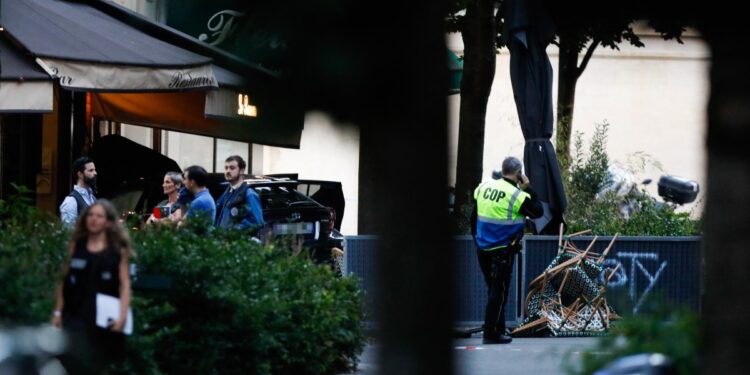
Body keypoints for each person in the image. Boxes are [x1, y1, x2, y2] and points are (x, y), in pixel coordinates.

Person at [51, 200, 132, 373]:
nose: (93, 219)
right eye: (90, 215)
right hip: (75, 314)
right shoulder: (77, 245)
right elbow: (63, 279)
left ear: (108, 222)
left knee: (97, 364)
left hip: (102, 318)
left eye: (99, 216)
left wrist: (122, 316)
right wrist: (58, 312)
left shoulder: (117, 251)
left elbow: (124, 285)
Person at [472, 157, 543, 344]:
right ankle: (490, 333)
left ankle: (499, 328)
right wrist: (527, 188)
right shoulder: (516, 195)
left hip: (482, 248)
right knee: (498, 291)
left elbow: (474, 217)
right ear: (519, 173)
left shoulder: (484, 187)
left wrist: (476, 239)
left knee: (494, 290)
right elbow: (538, 211)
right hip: (501, 251)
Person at [215, 155, 264, 232]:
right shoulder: (227, 193)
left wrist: (232, 232)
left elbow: (257, 222)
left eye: (232, 168)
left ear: (241, 170)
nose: (228, 171)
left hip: (237, 242)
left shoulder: (249, 194)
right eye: (226, 168)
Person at [60, 157, 97, 228]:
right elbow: (68, 231)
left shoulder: (93, 198)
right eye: (91, 170)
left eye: (95, 170)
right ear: (80, 174)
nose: (95, 173)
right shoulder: (71, 201)